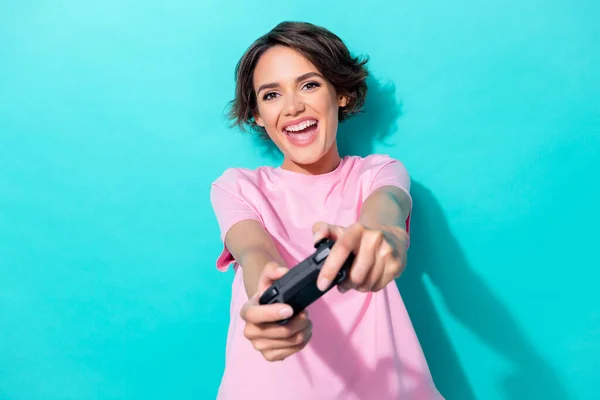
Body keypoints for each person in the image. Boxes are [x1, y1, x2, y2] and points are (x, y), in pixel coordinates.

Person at [210, 21, 443, 400]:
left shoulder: (378, 172)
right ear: (256, 115)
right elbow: (253, 251)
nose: (292, 106)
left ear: (341, 94)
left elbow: (386, 211)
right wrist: (266, 294)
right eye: (271, 95)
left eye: (309, 84)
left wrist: (381, 238)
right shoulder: (237, 187)